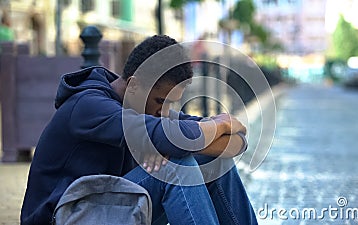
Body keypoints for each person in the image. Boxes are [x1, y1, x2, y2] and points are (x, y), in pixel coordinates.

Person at [21, 35, 258, 225]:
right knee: (176, 167)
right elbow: (176, 137)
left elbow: (237, 143)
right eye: (160, 101)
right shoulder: (89, 106)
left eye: (171, 104)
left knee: (213, 161)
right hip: (67, 216)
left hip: (112, 206)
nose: (164, 112)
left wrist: (179, 140)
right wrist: (220, 124)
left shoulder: (148, 109)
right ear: (134, 85)